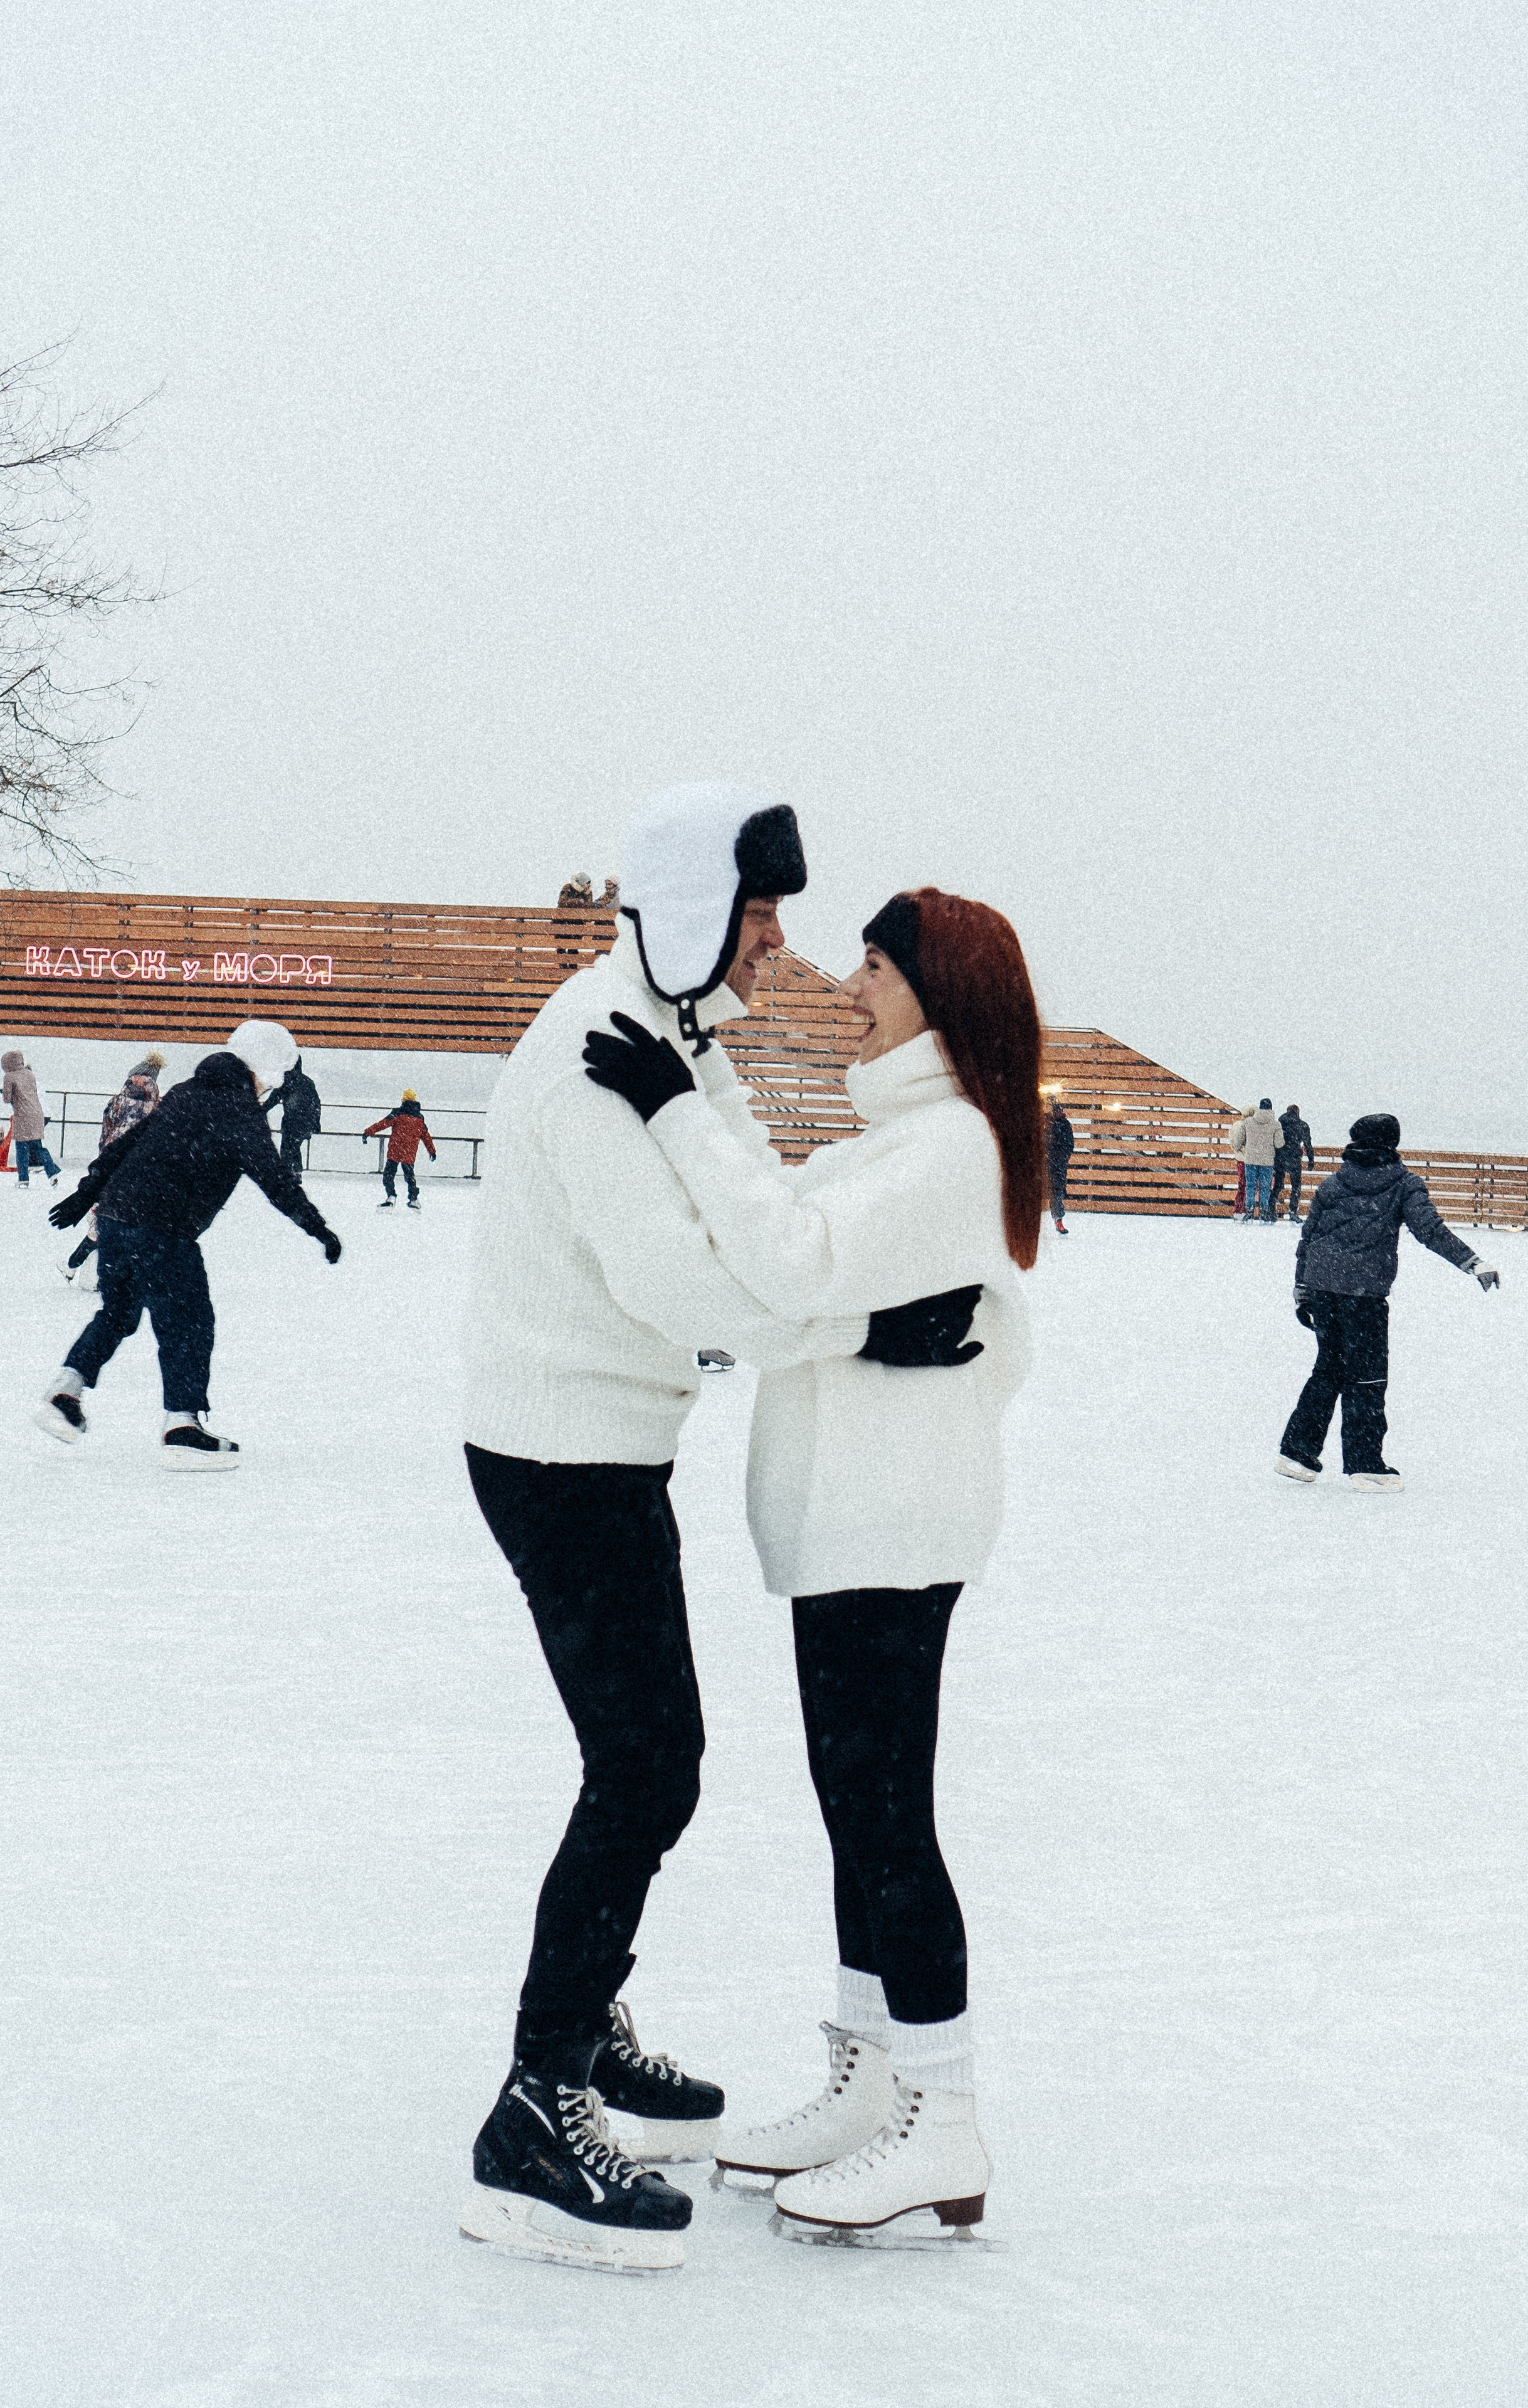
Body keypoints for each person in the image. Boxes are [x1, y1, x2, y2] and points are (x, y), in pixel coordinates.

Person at [457, 784, 984, 2276]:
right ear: (692, 911)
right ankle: (537, 2096)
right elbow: (686, 1288)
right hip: (558, 1449)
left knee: (652, 1759)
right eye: (758, 917)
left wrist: (839, 1295)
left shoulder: (669, 1037)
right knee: (644, 1766)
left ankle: (585, 2018)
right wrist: (869, 1325)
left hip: (607, 1444)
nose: (778, 948)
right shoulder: (591, 1059)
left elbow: (760, 1192)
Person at [584, 884, 1038, 2246]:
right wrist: (704, 1078)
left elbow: (782, 1259)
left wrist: (669, 1106)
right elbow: (789, 1235)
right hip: (849, 1525)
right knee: (859, 1810)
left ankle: (942, 2112)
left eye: (877, 965)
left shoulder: (948, 1147)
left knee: (888, 1814)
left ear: (936, 993)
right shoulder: (894, 1139)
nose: (851, 983)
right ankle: (869, 2079)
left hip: (890, 1524)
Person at [36, 1022, 342, 1467]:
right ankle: (182, 1426)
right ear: (265, 1071)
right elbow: (275, 1179)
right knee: (189, 1323)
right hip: (163, 1229)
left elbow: (127, 1143)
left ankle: (66, 1391)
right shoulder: (239, 1110)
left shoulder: (187, 1091)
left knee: (118, 1313)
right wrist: (319, 1229)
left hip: (118, 1222)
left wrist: (89, 1193)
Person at [1276, 1112, 1499, 1492]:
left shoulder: (1334, 1183)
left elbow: (1308, 1239)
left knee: (1329, 1369)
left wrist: (1303, 1291)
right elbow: (1430, 1229)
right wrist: (1472, 1262)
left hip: (1325, 1291)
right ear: (1392, 1144)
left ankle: (1296, 1452)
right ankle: (1365, 1466)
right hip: (1363, 1297)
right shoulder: (1403, 1183)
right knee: (1367, 1376)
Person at [66, 1053, 167, 1280]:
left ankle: (81, 1268)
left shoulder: (117, 1101)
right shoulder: (158, 1106)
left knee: (105, 1217)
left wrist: (103, 1159)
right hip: (142, 1170)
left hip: (112, 1165)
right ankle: (103, 1271)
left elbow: (106, 1132)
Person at [363, 1090, 436, 1207]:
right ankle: (414, 1200)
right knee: (410, 1176)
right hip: (409, 1152)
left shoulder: (397, 1113)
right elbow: (426, 1136)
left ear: (403, 1100)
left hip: (395, 1150)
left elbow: (382, 1124)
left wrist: (368, 1132)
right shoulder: (420, 1118)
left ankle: (391, 1197)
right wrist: (432, 1151)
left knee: (389, 1175)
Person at [0, 1051, 60, 1187]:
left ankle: (23, 1179)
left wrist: (5, 1091)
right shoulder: (29, 1074)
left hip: (22, 1115)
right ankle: (52, 1172)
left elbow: (7, 1098)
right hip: (37, 1113)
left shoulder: (9, 1077)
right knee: (37, 1146)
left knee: (21, 1148)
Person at [262, 1054, 322, 1180]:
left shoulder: (285, 1081)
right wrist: (316, 1123)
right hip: (306, 1121)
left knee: (288, 1147)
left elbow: (273, 1100)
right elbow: (316, 1103)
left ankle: (290, 1173)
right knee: (294, 1146)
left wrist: (260, 1111)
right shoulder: (307, 1082)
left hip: (292, 1121)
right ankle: (295, 1172)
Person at [1235, 1098, 1283, 1221]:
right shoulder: (1276, 1124)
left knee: (1250, 1186)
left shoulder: (1248, 1122)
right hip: (1267, 1162)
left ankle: (1249, 1211)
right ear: (1271, 1108)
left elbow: (1237, 1143)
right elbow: (1279, 1144)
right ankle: (1263, 1211)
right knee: (1265, 1187)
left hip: (1251, 1160)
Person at [1272, 1103, 1314, 1223]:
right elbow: (1308, 1144)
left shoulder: (1279, 1123)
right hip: (1295, 1159)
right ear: (1298, 1113)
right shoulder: (1302, 1125)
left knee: (1278, 1185)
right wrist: (1311, 1160)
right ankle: (1293, 1212)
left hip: (1280, 1157)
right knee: (1296, 1186)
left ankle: (1271, 1210)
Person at [1045, 1094, 1073, 1233]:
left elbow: (1069, 1145)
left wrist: (1061, 1159)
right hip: (1044, 1164)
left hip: (1057, 1165)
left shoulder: (1064, 1125)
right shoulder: (1045, 1124)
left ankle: (1058, 1221)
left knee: (1056, 1193)